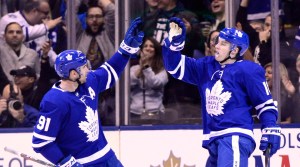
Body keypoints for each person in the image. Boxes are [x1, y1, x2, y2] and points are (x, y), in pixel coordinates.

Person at [162, 17, 281, 166]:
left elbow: (264, 104)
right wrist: (173, 44)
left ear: (235, 51)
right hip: (213, 140)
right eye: (217, 41)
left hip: (234, 136)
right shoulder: (206, 65)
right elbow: (174, 67)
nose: (216, 46)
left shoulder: (248, 70)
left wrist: (270, 126)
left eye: (223, 44)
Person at [31, 17, 144, 166]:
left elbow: (110, 70)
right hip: (82, 163)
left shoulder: (88, 81)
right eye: (84, 67)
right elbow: (41, 142)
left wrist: (125, 50)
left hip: (107, 157)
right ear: (73, 74)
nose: (88, 69)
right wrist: (65, 162)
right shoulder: (53, 101)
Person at [130, 37, 168, 121]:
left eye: (151, 46)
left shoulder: (162, 70)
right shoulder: (133, 69)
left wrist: (146, 68)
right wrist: (141, 67)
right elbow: (129, 84)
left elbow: (155, 84)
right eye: (145, 46)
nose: (148, 48)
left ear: (156, 51)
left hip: (156, 114)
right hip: (135, 114)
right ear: (141, 51)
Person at [76, 1, 115, 70]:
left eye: (98, 16)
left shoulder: (110, 34)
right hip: (83, 78)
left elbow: (112, 10)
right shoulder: (79, 35)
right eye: (91, 16)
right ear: (86, 19)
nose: (94, 20)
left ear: (104, 19)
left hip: (106, 77)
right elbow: (69, 14)